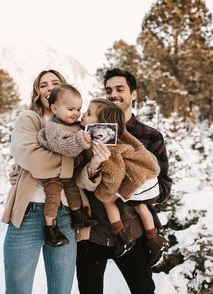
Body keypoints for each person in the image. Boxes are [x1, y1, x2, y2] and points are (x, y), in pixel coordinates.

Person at [2, 69, 110, 294]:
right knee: (18, 290)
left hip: (66, 214)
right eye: (43, 84)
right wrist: (72, 155)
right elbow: (32, 159)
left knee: (61, 290)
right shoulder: (29, 119)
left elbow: (82, 180)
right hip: (28, 214)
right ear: (37, 92)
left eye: (55, 82)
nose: (49, 87)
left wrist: (94, 165)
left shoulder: (77, 127)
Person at [76, 68, 172, 294]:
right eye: (108, 90)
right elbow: (71, 175)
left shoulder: (149, 136)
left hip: (133, 232)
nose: (113, 94)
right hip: (93, 234)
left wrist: (136, 189)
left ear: (134, 94)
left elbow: (164, 186)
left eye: (120, 89)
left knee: (143, 290)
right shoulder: (85, 134)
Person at [80, 98, 167, 262]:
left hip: (134, 179)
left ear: (102, 124)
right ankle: (155, 239)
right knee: (141, 206)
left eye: (89, 113)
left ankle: (121, 236)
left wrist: (106, 190)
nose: (83, 114)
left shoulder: (104, 143)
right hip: (143, 177)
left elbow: (115, 171)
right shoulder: (120, 133)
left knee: (107, 200)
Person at [37, 83, 97, 247]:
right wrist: (81, 139)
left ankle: (78, 216)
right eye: (71, 109)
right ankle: (50, 228)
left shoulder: (75, 125)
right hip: (52, 173)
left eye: (78, 109)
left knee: (73, 190)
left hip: (67, 171)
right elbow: (63, 147)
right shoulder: (53, 127)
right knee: (54, 196)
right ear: (55, 109)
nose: (76, 113)